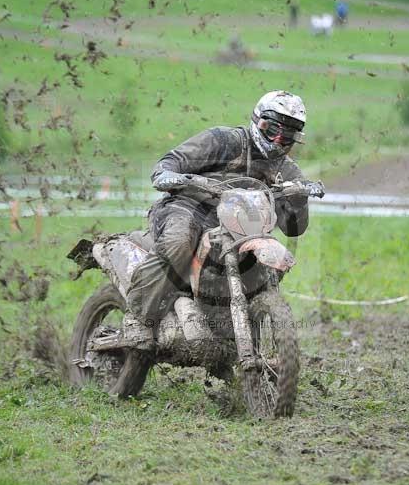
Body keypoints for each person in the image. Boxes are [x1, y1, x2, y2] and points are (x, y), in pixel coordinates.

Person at [126, 90, 325, 350]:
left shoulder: (286, 169)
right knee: (179, 242)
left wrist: (299, 199)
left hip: (242, 228)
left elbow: (294, 229)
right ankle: (139, 319)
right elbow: (169, 164)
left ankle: (236, 329)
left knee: (267, 263)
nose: (278, 139)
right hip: (188, 209)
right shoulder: (223, 140)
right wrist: (176, 177)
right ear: (258, 121)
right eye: (273, 128)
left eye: (287, 135)